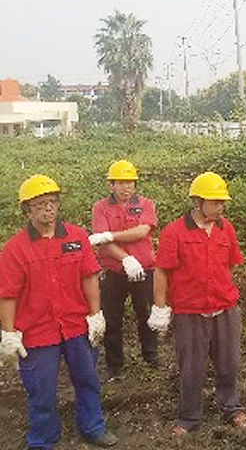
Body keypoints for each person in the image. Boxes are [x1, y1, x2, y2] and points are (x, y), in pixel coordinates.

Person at [0, 174, 118, 449]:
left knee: (88, 380)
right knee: (41, 390)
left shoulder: (76, 237)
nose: (48, 208)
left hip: (76, 325)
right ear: (27, 209)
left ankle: (92, 426)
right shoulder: (15, 249)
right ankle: (43, 439)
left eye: (52, 202)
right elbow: (8, 294)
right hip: (37, 331)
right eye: (40, 204)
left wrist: (95, 314)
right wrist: (8, 333)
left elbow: (89, 277)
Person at [147, 171, 246, 436]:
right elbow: (162, 271)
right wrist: (160, 307)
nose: (221, 207)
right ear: (198, 202)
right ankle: (188, 418)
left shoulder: (225, 228)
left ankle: (232, 408)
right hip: (190, 312)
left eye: (222, 202)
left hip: (225, 308)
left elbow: (230, 264)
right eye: (215, 202)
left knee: (229, 363)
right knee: (191, 367)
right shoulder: (174, 232)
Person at [90, 159, 159, 382]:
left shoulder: (146, 204)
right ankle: (114, 364)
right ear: (112, 184)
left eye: (130, 182)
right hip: (113, 270)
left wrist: (111, 235)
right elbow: (102, 242)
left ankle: (151, 356)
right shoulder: (100, 208)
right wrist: (126, 258)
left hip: (144, 269)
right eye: (120, 182)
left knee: (146, 313)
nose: (126, 186)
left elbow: (141, 232)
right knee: (112, 317)